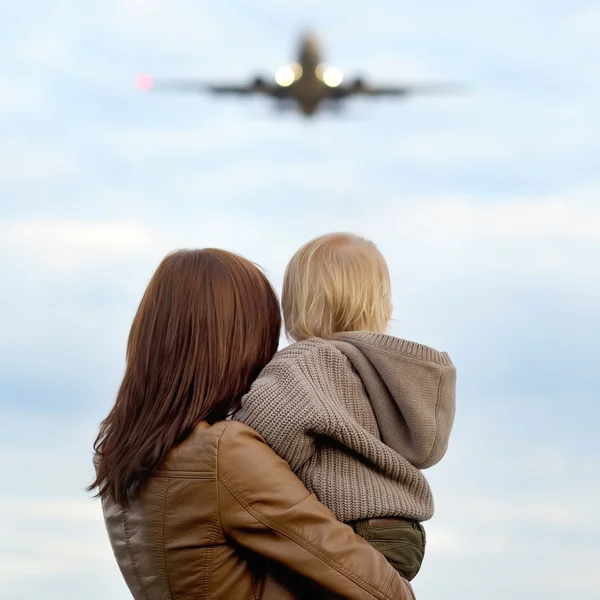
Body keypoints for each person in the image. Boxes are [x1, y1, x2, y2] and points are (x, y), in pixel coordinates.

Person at [88, 248, 415, 600]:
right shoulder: (223, 453)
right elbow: (381, 590)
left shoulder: (120, 457)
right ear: (235, 342)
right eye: (266, 333)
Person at [236, 233, 457, 581]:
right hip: (402, 534)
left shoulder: (308, 360)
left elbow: (260, 437)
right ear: (385, 310)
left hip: (349, 529)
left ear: (293, 309)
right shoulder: (391, 375)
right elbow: (425, 450)